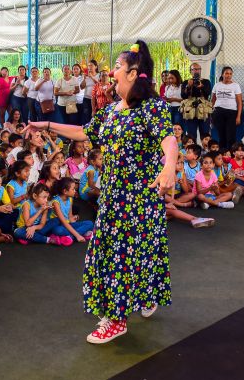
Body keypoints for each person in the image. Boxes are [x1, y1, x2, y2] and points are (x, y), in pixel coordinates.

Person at [24, 39, 177, 345]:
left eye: (117, 67)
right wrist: (47, 124)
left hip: (141, 198)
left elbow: (168, 140)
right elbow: (83, 132)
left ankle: (117, 320)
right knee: (115, 255)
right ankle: (124, 306)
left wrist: (169, 167)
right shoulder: (110, 112)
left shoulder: (152, 107)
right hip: (113, 197)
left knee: (134, 252)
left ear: (133, 73)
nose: (112, 72)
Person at [211, 67, 243, 151]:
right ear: (222, 74)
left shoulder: (236, 86)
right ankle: (222, 155)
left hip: (231, 113)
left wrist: (238, 116)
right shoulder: (217, 85)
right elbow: (213, 100)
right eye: (226, 73)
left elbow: (239, 102)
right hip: (218, 113)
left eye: (230, 73)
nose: (228, 75)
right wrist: (211, 114)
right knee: (221, 136)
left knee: (231, 137)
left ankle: (231, 156)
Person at [181, 62, 212, 143]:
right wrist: (188, 86)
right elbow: (183, 96)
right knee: (191, 134)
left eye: (198, 69)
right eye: (194, 69)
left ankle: (206, 152)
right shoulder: (186, 82)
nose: (196, 71)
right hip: (190, 110)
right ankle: (193, 152)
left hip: (203, 110)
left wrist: (202, 87)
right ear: (190, 71)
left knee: (205, 133)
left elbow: (208, 93)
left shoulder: (206, 81)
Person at [81, 60, 99, 124]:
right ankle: (86, 130)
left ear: (96, 67)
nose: (89, 67)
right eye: (88, 65)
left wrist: (91, 77)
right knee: (86, 115)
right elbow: (81, 87)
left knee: (95, 116)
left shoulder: (99, 75)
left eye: (91, 65)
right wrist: (84, 79)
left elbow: (99, 85)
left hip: (96, 99)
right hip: (86, 99)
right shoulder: (86, 76)